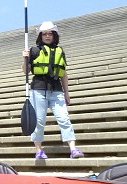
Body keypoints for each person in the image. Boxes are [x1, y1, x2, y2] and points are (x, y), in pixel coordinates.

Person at [22, 21, 84, 159]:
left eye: (50, 33)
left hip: (56, 90)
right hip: (38, 89)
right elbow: (26, 71)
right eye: (45, 34)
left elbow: (63, 73)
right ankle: (39, 150)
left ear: (54, 35)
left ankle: (73, 149)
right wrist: (25, 59)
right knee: (39, 121)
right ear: (41, 36)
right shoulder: (34, 50)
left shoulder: (60, 51)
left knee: (64, 119)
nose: (48, 36)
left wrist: (67, 93)